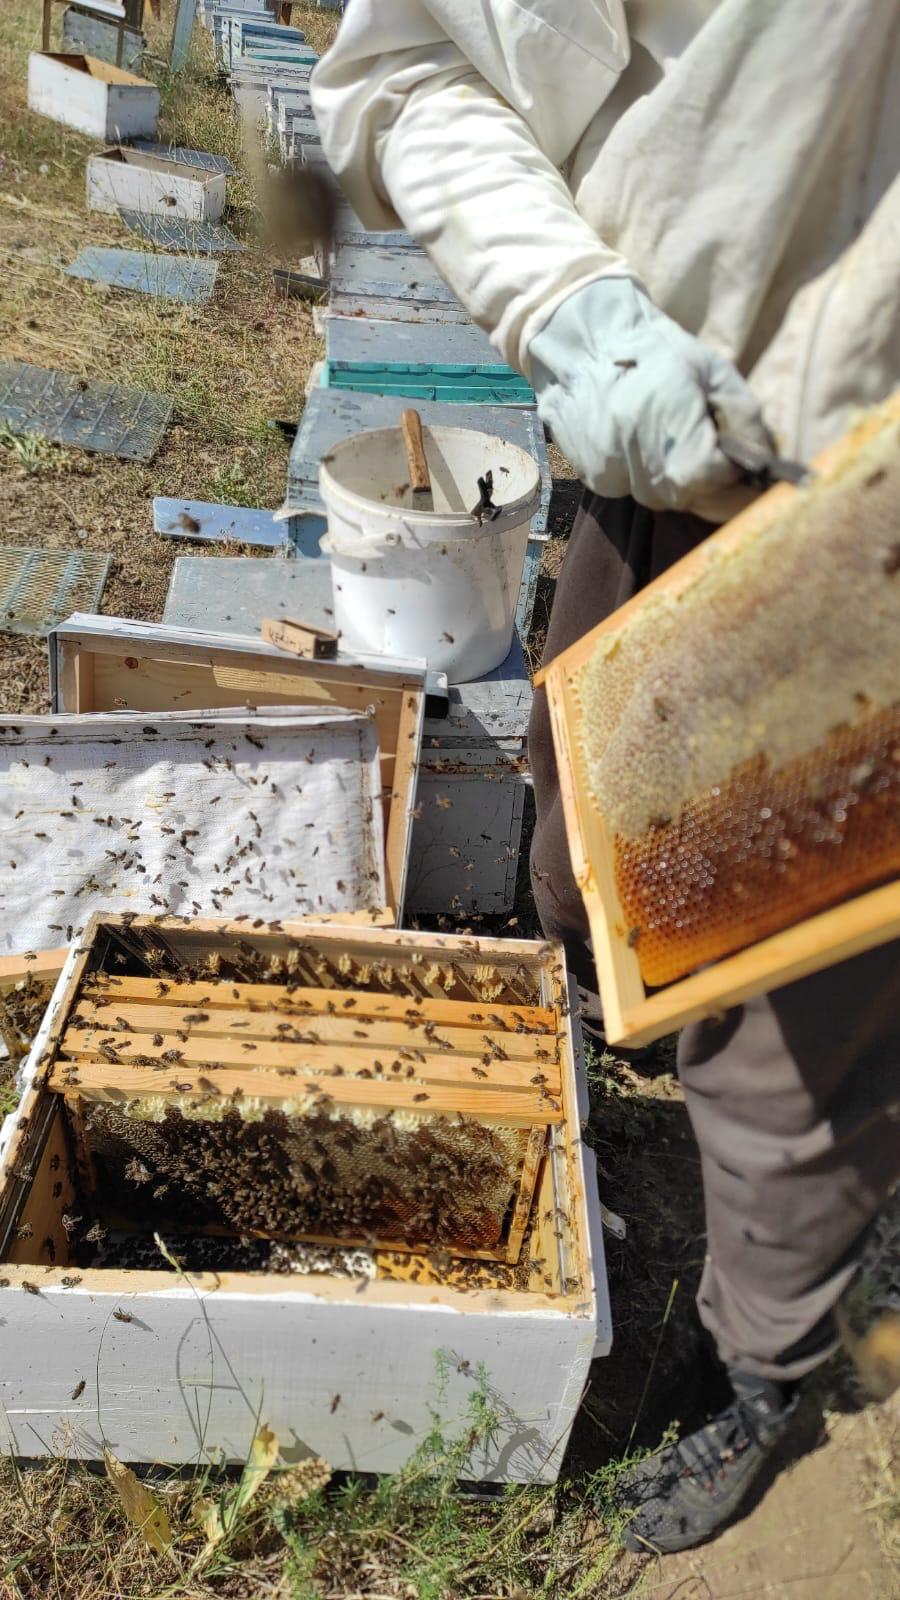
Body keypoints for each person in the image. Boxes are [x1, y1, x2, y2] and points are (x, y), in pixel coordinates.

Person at [311, 0, 900, 1554]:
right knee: (594, 850)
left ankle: (762, 1363)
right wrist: (577, 309)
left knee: (787, 1007)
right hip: (674, 435)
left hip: (872, 523)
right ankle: (648, 1056)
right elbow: (407, 62)